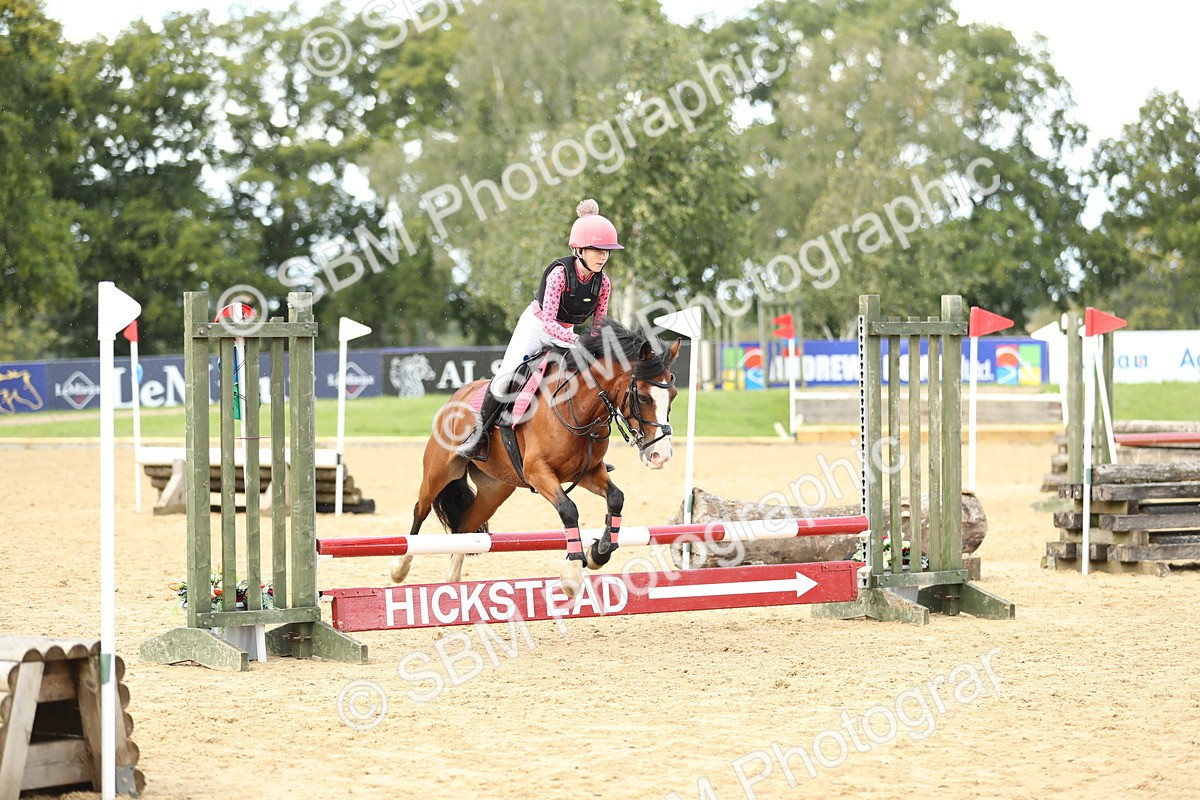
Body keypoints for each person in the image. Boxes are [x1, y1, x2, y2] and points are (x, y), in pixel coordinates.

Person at [457, 198, 622, 461]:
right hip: (536, 327)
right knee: (506, 377)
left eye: (607, 251)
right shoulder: (559, 274)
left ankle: (591, 450)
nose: (603, 256)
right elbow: (548, 323)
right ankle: (478, 437)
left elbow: (598, 324)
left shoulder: (603, 283)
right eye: (597, 250)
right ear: (579, 250)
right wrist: (575, 339)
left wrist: (594, 346)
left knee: (594, 380)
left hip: (568, 333)